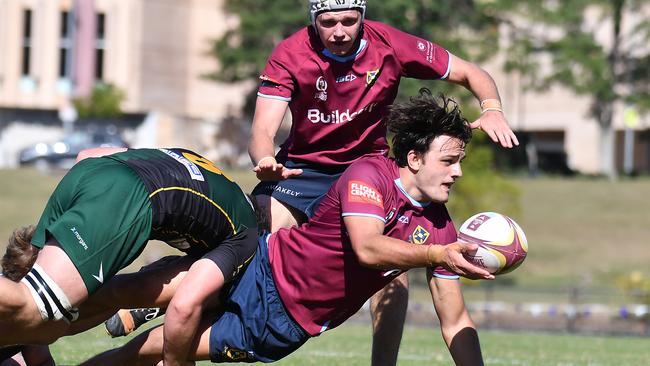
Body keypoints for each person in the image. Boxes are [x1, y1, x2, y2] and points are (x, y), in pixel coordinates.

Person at [81, 90, 494, 366]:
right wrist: (437, 254)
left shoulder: (440, 230)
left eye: (460, 161)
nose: (457, 172)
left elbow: (455, 320)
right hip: (256, 261)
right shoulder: (370, 174)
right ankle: (27, 337)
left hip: (278, 321)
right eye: (449, 160)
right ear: (416, 158)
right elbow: (368, 247)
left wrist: (442, 252)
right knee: (120, 289)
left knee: (151, 351)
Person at [249, 1, 517, 364]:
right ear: (314, 20)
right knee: (256, 243)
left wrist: (492, 108)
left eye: (349, 20)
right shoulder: (290, 54)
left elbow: (471, 72)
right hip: (303, 170)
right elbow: (262, 131)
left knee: (392, 268)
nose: (339, 31)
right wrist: (264, 159)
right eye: (328, 22)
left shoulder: (389, 44)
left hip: (369, 170)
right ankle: (198, 305)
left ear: (362, 16)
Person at [0, 147, 259, 353]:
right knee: (42, 314)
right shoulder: (246, 236)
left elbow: (86, 155)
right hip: (125, 196)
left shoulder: (215, 179)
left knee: (42, 318)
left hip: (89, 173)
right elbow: (185, 303)